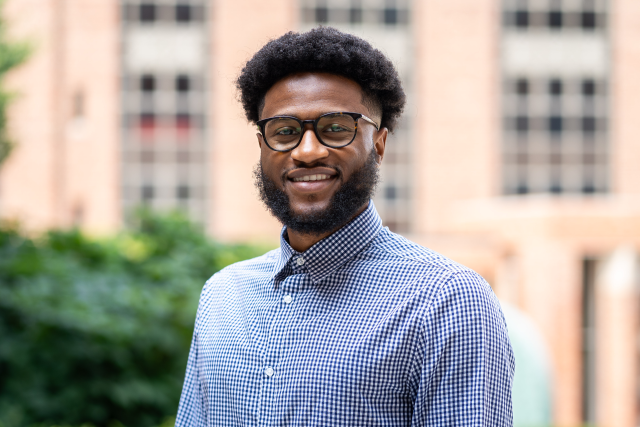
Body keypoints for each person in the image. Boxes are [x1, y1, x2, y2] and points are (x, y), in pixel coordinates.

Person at [176, 27, 514, 426]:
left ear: (380, 144)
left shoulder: (446, 302)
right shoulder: (223, 296)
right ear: (262, 146)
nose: (307, 151)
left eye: (336, 128)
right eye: (284, 132)